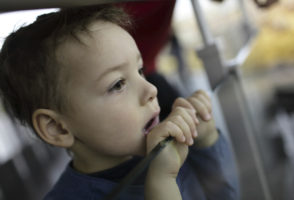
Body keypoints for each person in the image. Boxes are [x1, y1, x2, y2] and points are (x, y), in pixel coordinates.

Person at [0, 4, 239, 200]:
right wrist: (161, 185)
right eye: (117, 85)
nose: (152, 89)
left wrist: (207, 142)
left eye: (140, 70)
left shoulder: (172, 148)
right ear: (58, 128)